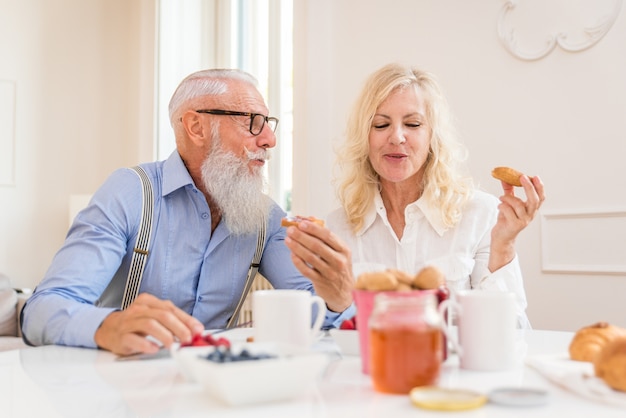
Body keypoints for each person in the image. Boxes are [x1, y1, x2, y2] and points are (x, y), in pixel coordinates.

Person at [21, 68, 355, 356]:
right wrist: (108, 326)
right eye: (252, 122)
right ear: (196, 127)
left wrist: (337, 297)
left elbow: (316, 316)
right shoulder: (131, 192)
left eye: (268, 123)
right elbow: (40, 311)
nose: (269, 139)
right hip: (120, 388)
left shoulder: (266, 218)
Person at [285, 63, 545, 328]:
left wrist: (504, 246)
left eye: (412, 123)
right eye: (380, 124)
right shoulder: (338, 228)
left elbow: (513, 332)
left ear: (432, 135)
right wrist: (335, 299)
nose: (397, 137)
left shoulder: (482, 214)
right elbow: (327, 338)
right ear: (365, 137)